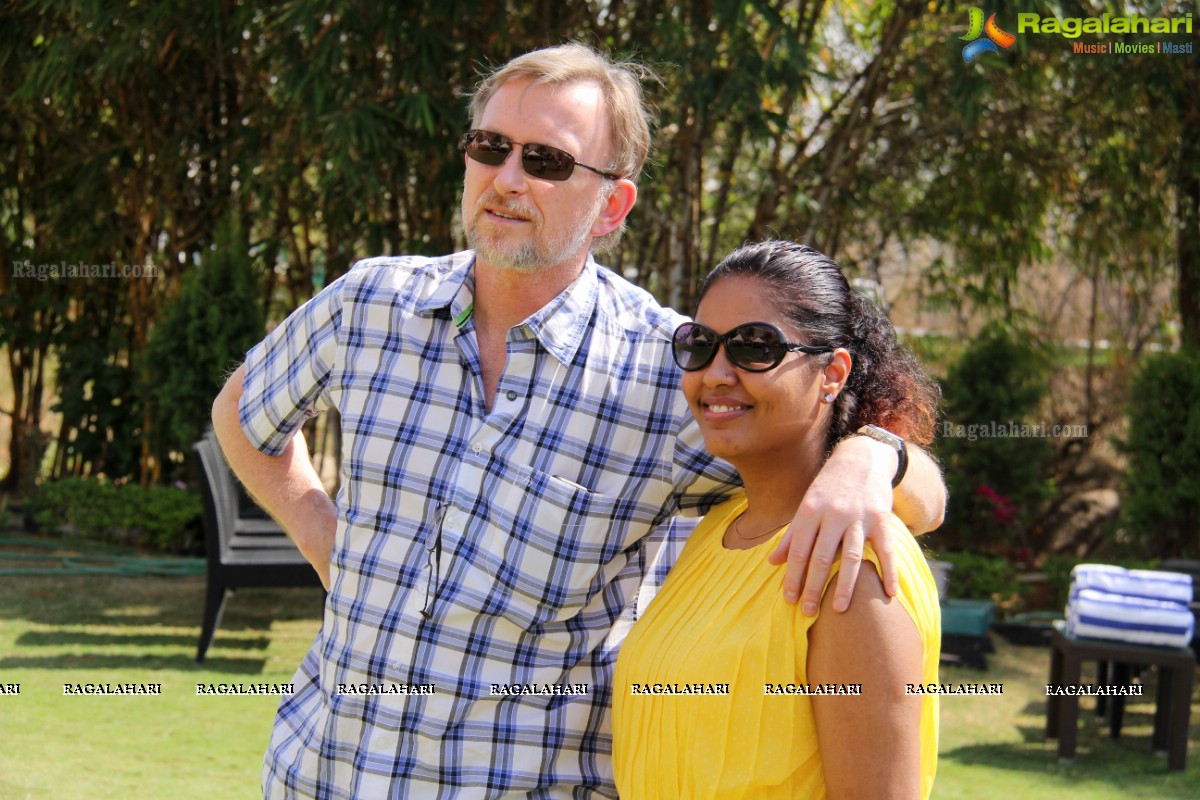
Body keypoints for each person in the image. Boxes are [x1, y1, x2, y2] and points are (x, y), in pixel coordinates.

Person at [210, 44, 946, 798]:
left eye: (547, 161)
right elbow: (241, 411)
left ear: (612, 205)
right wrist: (318, 534)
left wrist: (870, 459)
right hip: (318, 775)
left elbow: (914, 490)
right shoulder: (370, 304)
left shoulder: (675, 372)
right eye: (489, 148)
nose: (506, 178)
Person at [612, 240, 942, 799]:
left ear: (832, 374)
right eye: (701, 345)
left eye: (755, 346)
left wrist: (877, 452)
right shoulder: (716, 528)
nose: (715, 373)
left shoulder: (853, 563)